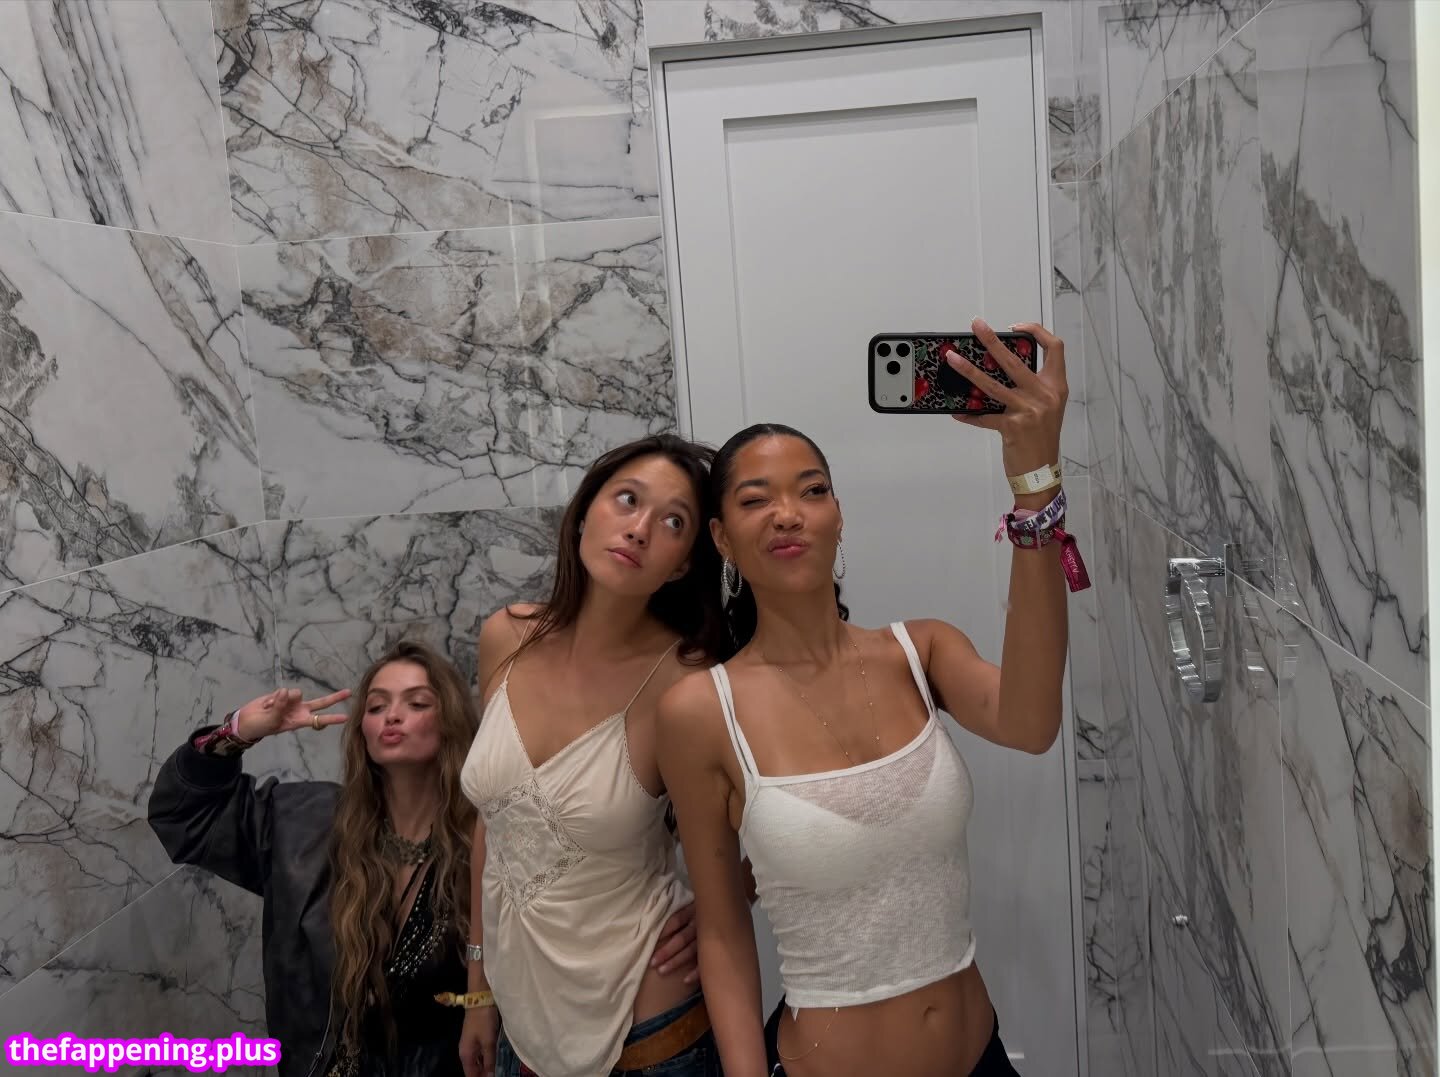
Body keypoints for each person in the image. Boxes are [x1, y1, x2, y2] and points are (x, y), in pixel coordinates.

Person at [656, 320, 1078, 1077]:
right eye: (756, 499)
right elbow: (721, 931)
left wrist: (1034, 481)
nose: (788, 512)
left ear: (838, 514)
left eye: (812, 490)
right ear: (721, 537)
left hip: (980, 1059)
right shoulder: (701, 712)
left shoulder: (922, 653)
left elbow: (1032, 721)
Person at [458, 433, 742, 1077]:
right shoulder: (507, 635)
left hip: (647, 1028)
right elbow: (494, 824)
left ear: (682, 563)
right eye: (628, 500)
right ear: (585, 513)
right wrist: (479, 991)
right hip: (522, 1024)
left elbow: (777, 817)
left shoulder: (686, 679)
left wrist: (727, 900)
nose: (639, 529)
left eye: (673, 522)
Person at [148, 639, 481, 1077]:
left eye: (417, 703)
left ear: (451, 722)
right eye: (376, 706)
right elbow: (183, 817)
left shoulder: (483, 847)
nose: (392, 716)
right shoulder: (305, 824)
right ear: (362, 731)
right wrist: (236, 732)